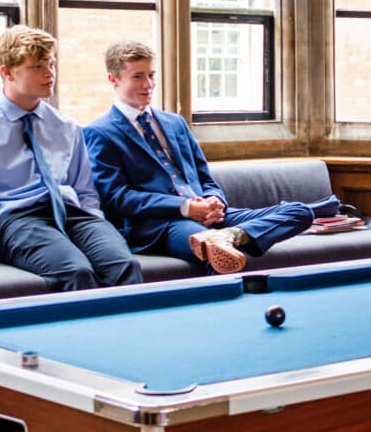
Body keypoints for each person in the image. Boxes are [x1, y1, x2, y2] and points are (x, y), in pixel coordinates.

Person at [84, 41, 339, 273]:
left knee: (301, 213)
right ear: (113, 79)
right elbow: (118, 198)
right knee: (211, 251)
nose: (148, 85)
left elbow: (205, 176)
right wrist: (185, 208)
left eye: (151, 75)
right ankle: (222, 255)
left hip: (213, 217)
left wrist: (214, 200)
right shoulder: (99, 132)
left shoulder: (175, 123)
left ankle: (231, 235)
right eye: (137, 77)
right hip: (161, 226)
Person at [0, 27, 142, 292]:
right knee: (76, 272)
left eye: (51, 64)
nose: (49, 74)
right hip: (17, 219)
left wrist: (93, 218)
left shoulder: (66, 126)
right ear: (6, 72)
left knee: (125, 266)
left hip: (72, 214)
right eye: (37, 67)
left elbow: (84, 190)